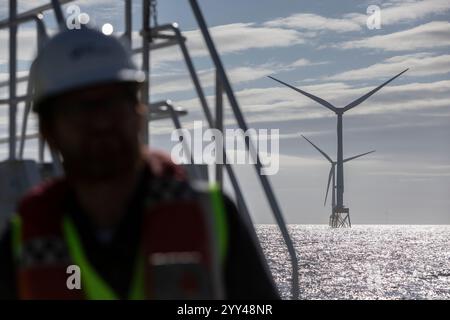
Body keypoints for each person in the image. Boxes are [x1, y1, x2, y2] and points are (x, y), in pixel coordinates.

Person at [0, 27, 279, 300]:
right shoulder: (22, 244)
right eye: (80, 108)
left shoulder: (212, 218)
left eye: (113, 102)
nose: (100, 122)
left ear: (138, 112)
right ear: (48, 130)